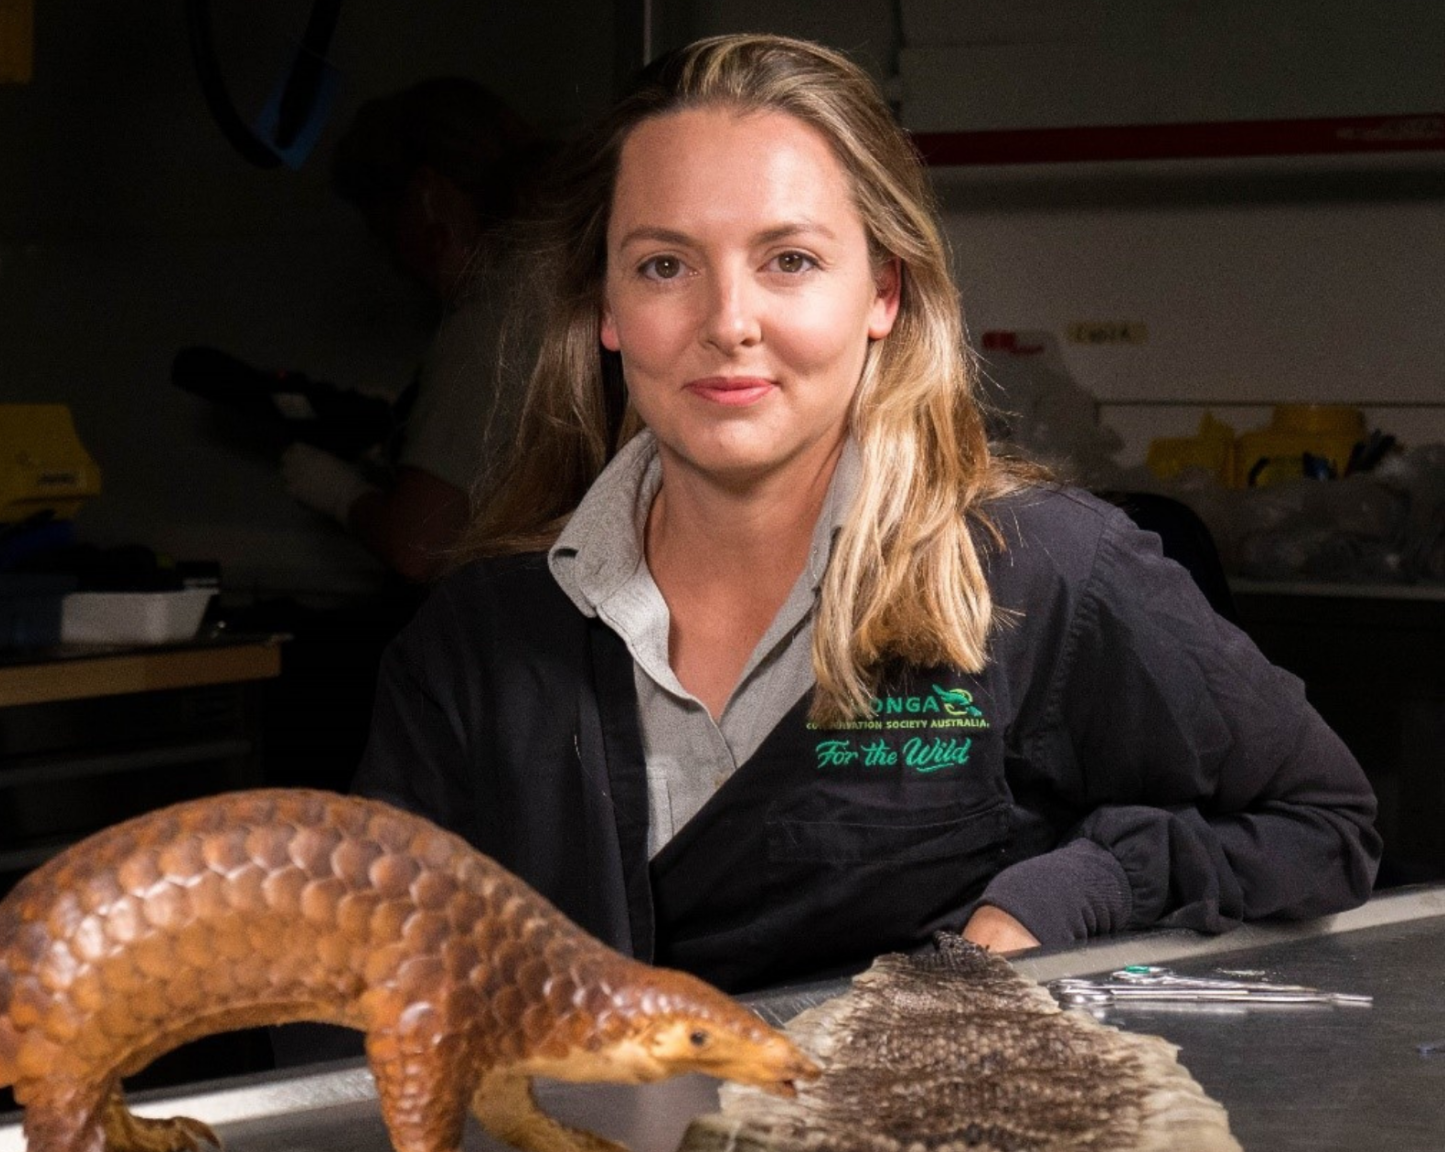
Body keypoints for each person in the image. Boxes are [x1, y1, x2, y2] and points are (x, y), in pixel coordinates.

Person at [351, 34, 1379, 994]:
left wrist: (1073, 889)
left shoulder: (1041, 573)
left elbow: (1320, 823)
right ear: (608, 310)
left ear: (881, 292)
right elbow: (356, 991)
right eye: (665, 265)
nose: (727, 323)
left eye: (788, 260)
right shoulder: (474, 647)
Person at [278, 77, 547, 582]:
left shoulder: (490, 316)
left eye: (388, 229)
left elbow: (418, 548)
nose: (398, 263)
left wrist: (341, 495)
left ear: (427, 198)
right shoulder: (552, 283)